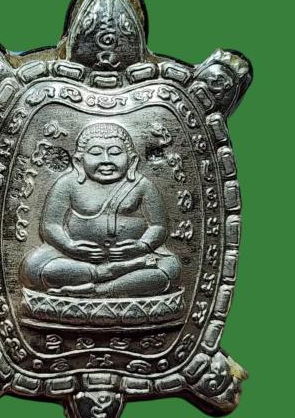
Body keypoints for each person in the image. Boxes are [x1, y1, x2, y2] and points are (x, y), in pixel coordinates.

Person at [19, 121, 181, 297]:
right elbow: (51, 225)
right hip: (75, 260)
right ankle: (106, 273)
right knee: (32, 268)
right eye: (96, 153)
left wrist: (142, 246)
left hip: (135, 257)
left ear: (132, 160)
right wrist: (69, 246)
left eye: (115, 153)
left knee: (170, 269)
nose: (106, 160)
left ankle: (98, 289)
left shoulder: (142, 185)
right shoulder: (67, 184)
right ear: (78, 161)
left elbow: (158, 226)